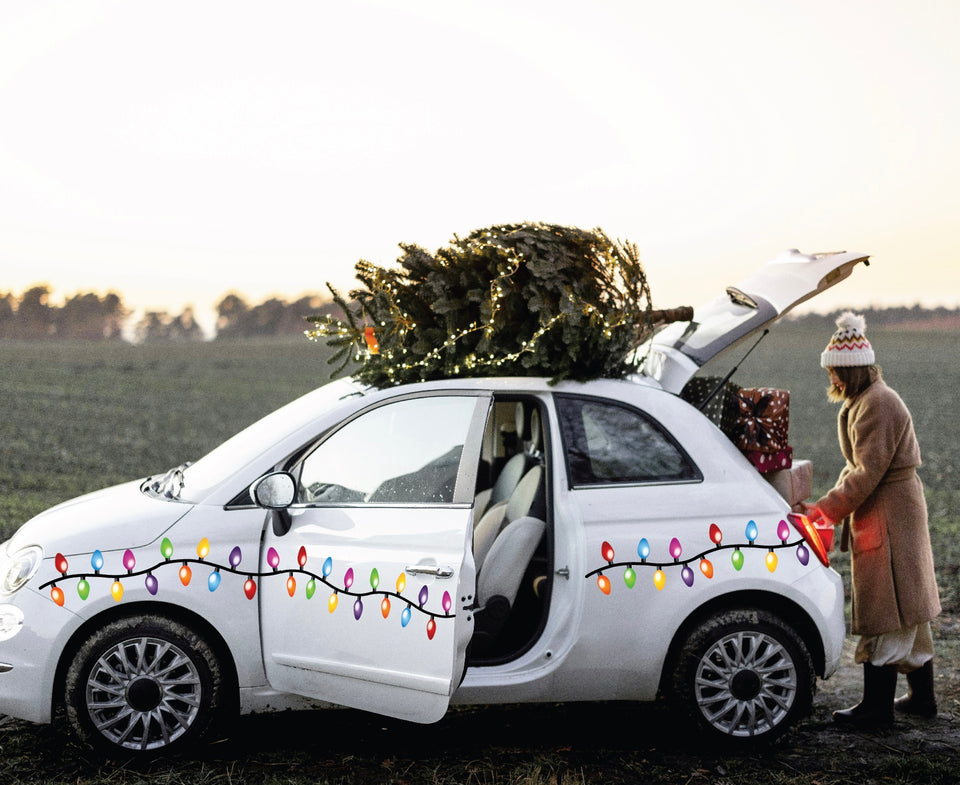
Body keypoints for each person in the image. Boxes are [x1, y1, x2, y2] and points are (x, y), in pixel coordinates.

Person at [802, 312, 941, 729]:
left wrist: (825, 510)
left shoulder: (877, 403)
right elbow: (860, 467)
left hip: (890, 514)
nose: (834, 383)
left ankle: (876, 709)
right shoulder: (867, 399)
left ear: (851, 368)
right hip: (892, 509)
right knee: (908, 609)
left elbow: (866, 472)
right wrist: (830, 505)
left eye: (837, 374)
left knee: (888, 607)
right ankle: (922, 698)